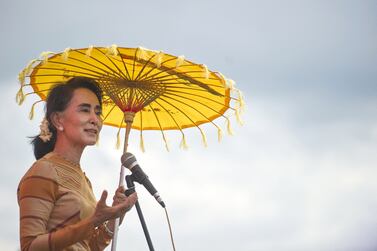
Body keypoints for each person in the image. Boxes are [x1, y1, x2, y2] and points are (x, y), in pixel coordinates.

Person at [17, 77, 138, 251]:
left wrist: (114, 217)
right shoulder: (43, 170)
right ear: (58, 120)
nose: (95, 119)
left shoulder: (83, 179)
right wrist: (93, 220)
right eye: (84, 110)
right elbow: (30, 246)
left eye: (97, 112)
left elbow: (88, 247)